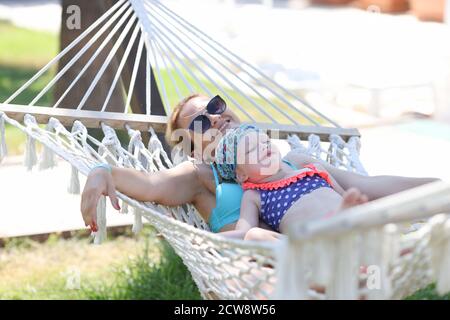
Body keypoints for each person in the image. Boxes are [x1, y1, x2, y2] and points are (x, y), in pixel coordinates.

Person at [80, 93, 440, 239]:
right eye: (201, 123)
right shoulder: (200, 176)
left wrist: (438, 189)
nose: (216, 119)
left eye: (216, 107)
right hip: (263, 282)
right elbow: (151, 185)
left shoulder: (296, 162)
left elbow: (372, 185)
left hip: (335, 248)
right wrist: (103, 171)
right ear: (191, 146)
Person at [214, 124, 370, 239]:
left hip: (352, 226)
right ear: (241, 174)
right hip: (310, 245)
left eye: (266, 142)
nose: (263, 147)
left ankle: (345, 221)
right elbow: (243, 232)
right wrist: (209, 241)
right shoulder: (254, 195)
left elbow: (347, 197)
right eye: (251, 149)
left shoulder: (313, 169)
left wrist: (357, 205)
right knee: (253, 236)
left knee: (354, 206)